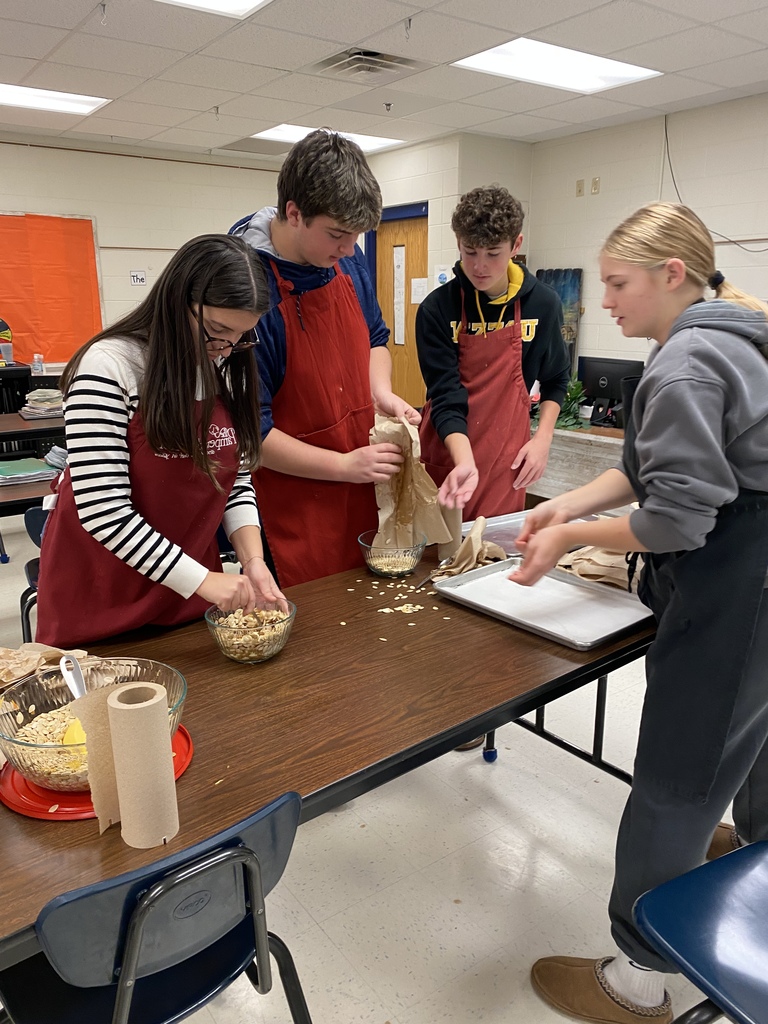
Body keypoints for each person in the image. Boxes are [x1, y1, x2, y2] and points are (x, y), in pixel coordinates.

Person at [509, 202, 768, 1024]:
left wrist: (567, 537)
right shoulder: (735, 334)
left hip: (741, 588)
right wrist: (559, 508)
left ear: (672, 275)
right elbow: (644, 470)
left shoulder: (688, 363)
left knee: (676, 775)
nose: (607, 302)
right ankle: (748, 861)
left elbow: (678, 520)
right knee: (756, 734)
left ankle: (639, 976)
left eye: (619, 284)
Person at [36, 234, 285, 649]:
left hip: (185, 597)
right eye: (215, 331)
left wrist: (253, 561)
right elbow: (103, 511)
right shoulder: (110, 366)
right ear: (176, 302)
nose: (224, 350)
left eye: (240, 337)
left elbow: (234, 481)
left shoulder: (225, 364)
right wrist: (203, 579)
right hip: (102, 599)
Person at [230, 129, 420, 588]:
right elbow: (251, 434)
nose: (350, 250)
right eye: (337, 234)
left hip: (359, 484)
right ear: (293, 213)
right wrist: (341, 466)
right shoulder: (246, 287)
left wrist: (381, 392)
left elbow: (376, 337)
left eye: (355, 236)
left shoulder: (344, 261)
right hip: (292, 504)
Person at [416, 185, 571, 519]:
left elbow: (556, 378)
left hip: (506, 461)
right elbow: (445, 395)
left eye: (493, 253)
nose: (480, 266)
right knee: (438, 559)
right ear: (458, 242)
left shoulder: (543, 304)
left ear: (516, 244)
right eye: (470, 252)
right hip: (448, 456)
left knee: (492, 556)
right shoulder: (437, 309)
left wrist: (543, 440)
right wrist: (464, 460)